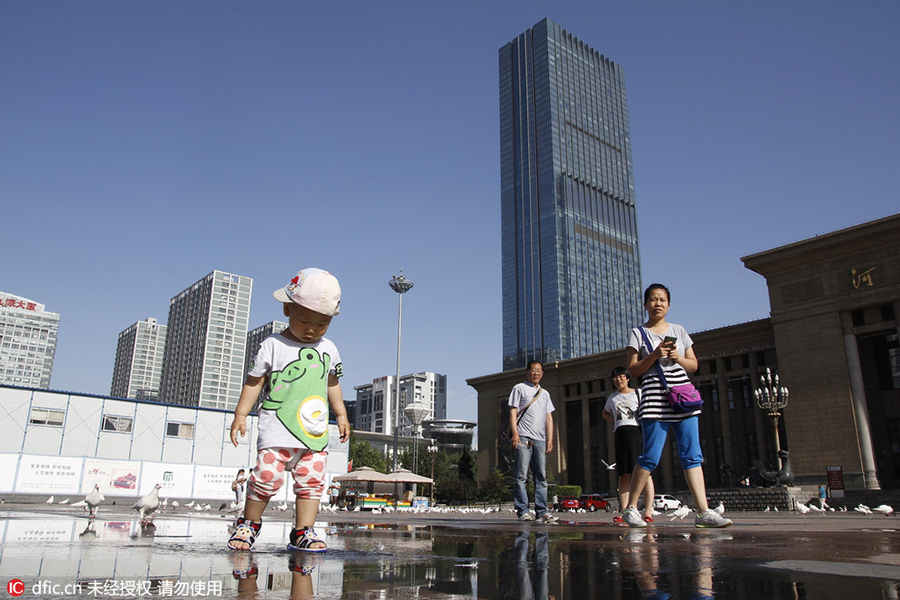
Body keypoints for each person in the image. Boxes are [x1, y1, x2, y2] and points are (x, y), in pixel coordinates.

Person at [227, 268, 351, 551]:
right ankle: (249, 524)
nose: (312, 329)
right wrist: (240, 414)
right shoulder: (273, 344)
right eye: (304, 320)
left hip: (313, 433)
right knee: (266, 477)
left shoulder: (329, 348)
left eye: (322, 323)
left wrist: (341, 414)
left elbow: (332, 383)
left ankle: (303, 531)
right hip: (276, 431)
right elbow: (255, 381)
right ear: (287, 308)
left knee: (311, 482)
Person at [621, 284, 732, 529]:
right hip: (654, 399)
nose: (657, 303)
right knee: (650, 456)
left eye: (662, 299)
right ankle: (631, 508)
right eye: (653, 299)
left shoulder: (679, 330)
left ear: (669, 304)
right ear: (645, 305)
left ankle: (703, 511)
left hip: (683, 398)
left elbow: (693, 365)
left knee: (692, 455)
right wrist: (654, 355)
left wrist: (677, 357)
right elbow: (634, 370)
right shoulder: (638, 333)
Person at [602, 366, 655, 523]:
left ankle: (648, 511)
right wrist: (616, 420)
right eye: (615, 378)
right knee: (624, 474)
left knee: (645, 473)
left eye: (621, 377)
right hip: (620, 434)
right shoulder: (612, 397)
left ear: (627, 378)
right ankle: (625, 511)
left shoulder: (638, 393)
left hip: (636, 433)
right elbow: (605, 413)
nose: (618, 380)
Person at [509, 360, 558, 523]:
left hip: (540, 439)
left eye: (539, 370)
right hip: (523, 437)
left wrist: (550, 438)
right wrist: (515, 434)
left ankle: (542, 511)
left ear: (542, 374)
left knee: (541, 476)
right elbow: (513, 412)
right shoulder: (519, 388)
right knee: (521, 475)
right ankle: (523, 510)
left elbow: (549, 417)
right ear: (527, 372)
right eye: (533, 370)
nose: (536, 373)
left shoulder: (545, 394)